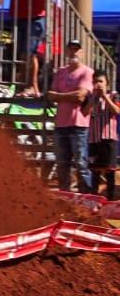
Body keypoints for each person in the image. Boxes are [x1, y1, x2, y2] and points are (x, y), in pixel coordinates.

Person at [46, 39, 94, 193]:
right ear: (67, 51)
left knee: (81, 164)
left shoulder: (87, 72)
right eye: (71, 49)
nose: (74, 52)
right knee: (62, 163)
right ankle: (65, 194)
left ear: (82, 52)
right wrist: (69, 96)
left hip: (79, 124)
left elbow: (80, 96)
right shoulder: (60, 72)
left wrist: (59, 96)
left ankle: (87, 194)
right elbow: (50, 95)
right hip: (61, 124)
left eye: (77, 49)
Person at [84, 69, 120, 199]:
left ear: (107, 83)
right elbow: (84, 112)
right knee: (95, 172)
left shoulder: (114, 95)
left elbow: (117, 111)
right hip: (94, 139)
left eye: (101, 81)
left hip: (109, 139)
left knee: (110, 171)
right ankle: (94, 199)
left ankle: (110, 200)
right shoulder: (90, 97)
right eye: (95, 82)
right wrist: (94, 98)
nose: (98, 84)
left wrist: (105, 96)